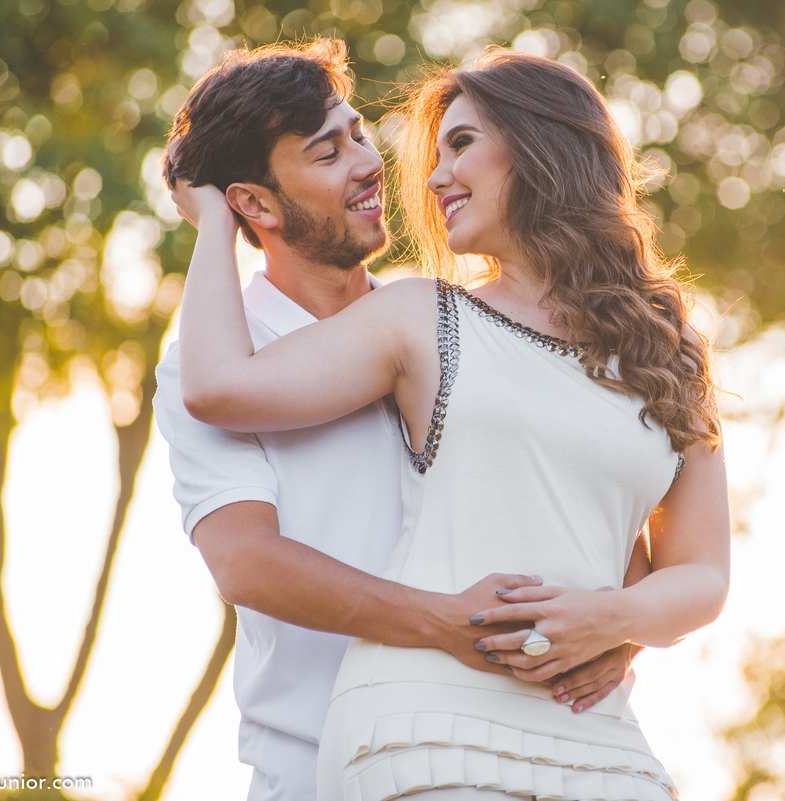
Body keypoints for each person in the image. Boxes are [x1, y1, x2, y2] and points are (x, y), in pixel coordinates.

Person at [173, 48, 730, 801]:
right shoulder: (412, 322)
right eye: (328, 153)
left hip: (588, 729)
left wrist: (616, 624)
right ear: (257, 205)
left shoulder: (650, 345)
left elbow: (630, 548)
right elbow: (243, 550)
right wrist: (212, 222)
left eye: (360, 136)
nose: (413, 175)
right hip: (379, 737)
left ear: (544, 148)